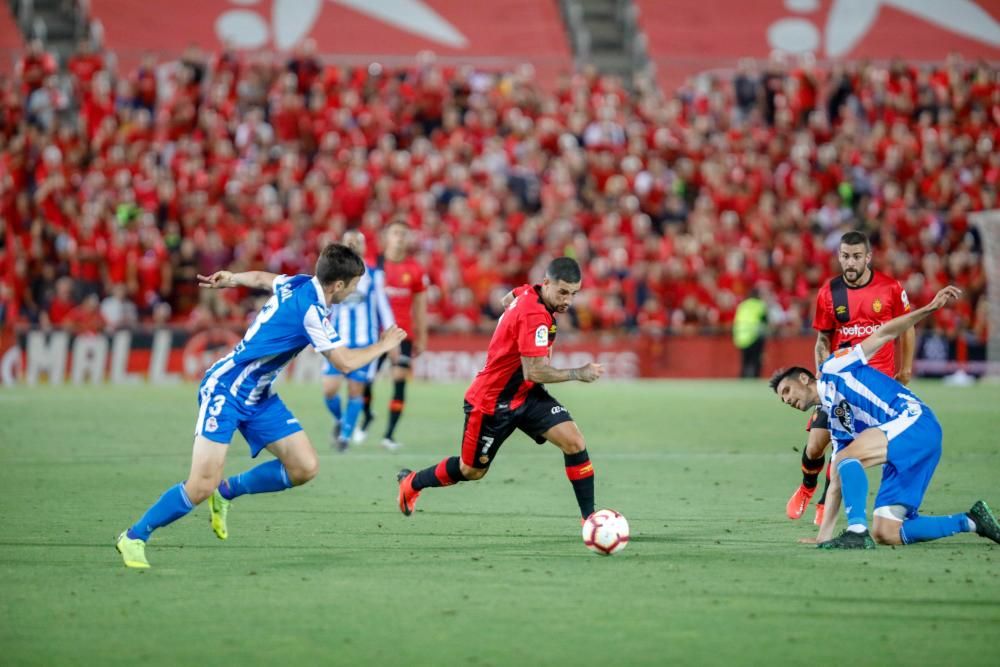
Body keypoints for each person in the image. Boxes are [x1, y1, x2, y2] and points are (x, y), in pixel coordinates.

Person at [115, 244, 406, 568]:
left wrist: (233, 278)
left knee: (304, 467)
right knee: (200, 484)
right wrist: (383, 345)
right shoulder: (310, 308)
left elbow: (264, 279)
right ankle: (134, 536)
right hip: (225, 391)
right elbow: (346, 363)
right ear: (338, 285)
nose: (355, 290)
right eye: (353, 284)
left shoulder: (299, 282)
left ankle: (226, 492)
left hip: (258, 395)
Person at [769, 285, 1000, 549]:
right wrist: (822, 537)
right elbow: (836, 480)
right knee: (887, 530)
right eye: (782, 399)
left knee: (845, 458)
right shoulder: (836, 423)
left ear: (804, 378)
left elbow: (883, 334)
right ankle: (971, 521)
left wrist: (929, 309)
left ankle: (856, 532)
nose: (787, 399)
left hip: (914, 421)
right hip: (907, 446)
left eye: (786, 390)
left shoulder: (834, 367)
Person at [396, 257, 604, 523]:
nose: (568, 301)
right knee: (471, 470)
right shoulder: (535, 315)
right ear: (547, 283)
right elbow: (535, 371)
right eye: (562, 292)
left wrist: (510, 319)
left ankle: (590, 520)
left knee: (574, 442)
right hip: (491, 402)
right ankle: (412, 483)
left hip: (526, 395)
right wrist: (578, 373)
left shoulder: (531, 292)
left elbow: (510, 297)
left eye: (573, 294)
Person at [787, 231, 915, 526]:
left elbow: (907, 328)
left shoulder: (891, 289)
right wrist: (823, 373)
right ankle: (808, 486)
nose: (850, 262)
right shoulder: (829, 292)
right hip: (839, 383)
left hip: (875, 387)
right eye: (845, 256)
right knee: (816, 445)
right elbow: (822, 339)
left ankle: (826, 504)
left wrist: (906, 368)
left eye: (857, 256)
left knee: (847, 449)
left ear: (868, 257)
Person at [321, 231, 395, 451]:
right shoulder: (333, 276)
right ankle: (340, 420)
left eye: (358, 241)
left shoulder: (374, 275)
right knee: (329, 390)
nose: (354, 244)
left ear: (364, 247)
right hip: (337, 342)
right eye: (349, 241)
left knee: (355, 391)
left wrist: (392, 338)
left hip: (365, 343)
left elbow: (383, 305)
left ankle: (344, 437)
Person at [365, 220, 429, 451]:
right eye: (395, 233)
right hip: (376, 335)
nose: (400, 237)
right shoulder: (373, 266)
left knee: (400, 378)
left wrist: (422, 337)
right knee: (365, 381)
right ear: (387, 237)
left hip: (402, 335)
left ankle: (389, 435)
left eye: (404, 233)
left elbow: (420, 307)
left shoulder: (415, 270)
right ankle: (365, 417)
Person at [733, 287, 767, 378]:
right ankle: (755, 377)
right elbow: (765, 321)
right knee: (756, 360)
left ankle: (743, 377)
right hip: (754, 336)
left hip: (741, 336)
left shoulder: (742, 305)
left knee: (745, 361)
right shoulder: (760, 305)